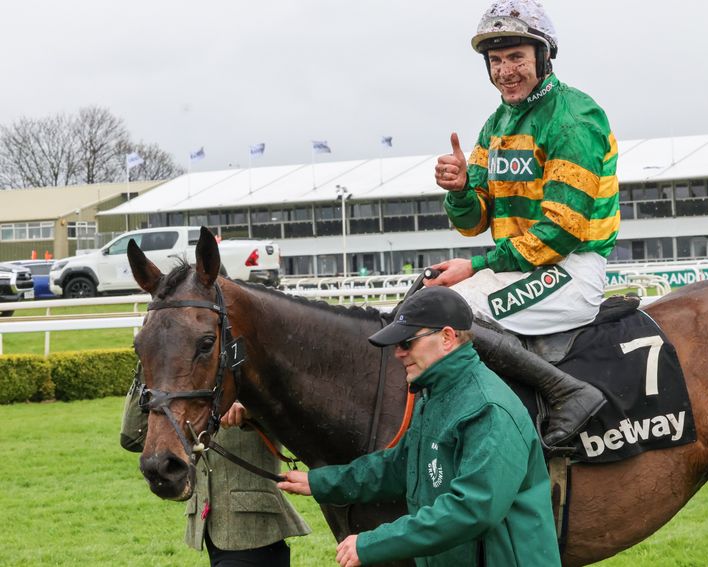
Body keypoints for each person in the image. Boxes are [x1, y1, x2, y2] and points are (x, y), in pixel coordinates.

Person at [427, 0, 619, 446]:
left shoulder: (574, 117)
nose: (505, 71)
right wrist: (458, 190)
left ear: (543, 56)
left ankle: (567, 393)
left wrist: (477, 266)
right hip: (519, 266)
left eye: (516, 57)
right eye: (495, 61)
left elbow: (562, 231)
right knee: (425, 299)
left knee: (459, 313)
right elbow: (474, 221)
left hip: (570, 268)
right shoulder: (496, 123)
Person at [277, 286, 561, 567]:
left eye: (406, 342)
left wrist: (372, 544)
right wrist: (321, 482)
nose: (398, 353)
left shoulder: (487, 409)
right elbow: (402, 465)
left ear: (447, 337)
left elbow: (473, 509)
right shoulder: (435, 394)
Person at [121, 383, 311, 567]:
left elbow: (289, 412)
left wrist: (250, 410)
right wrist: (146, 368)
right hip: (212, 531)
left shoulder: (255, 375)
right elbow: (133, 438)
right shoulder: (184, 389)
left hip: (255, 530)